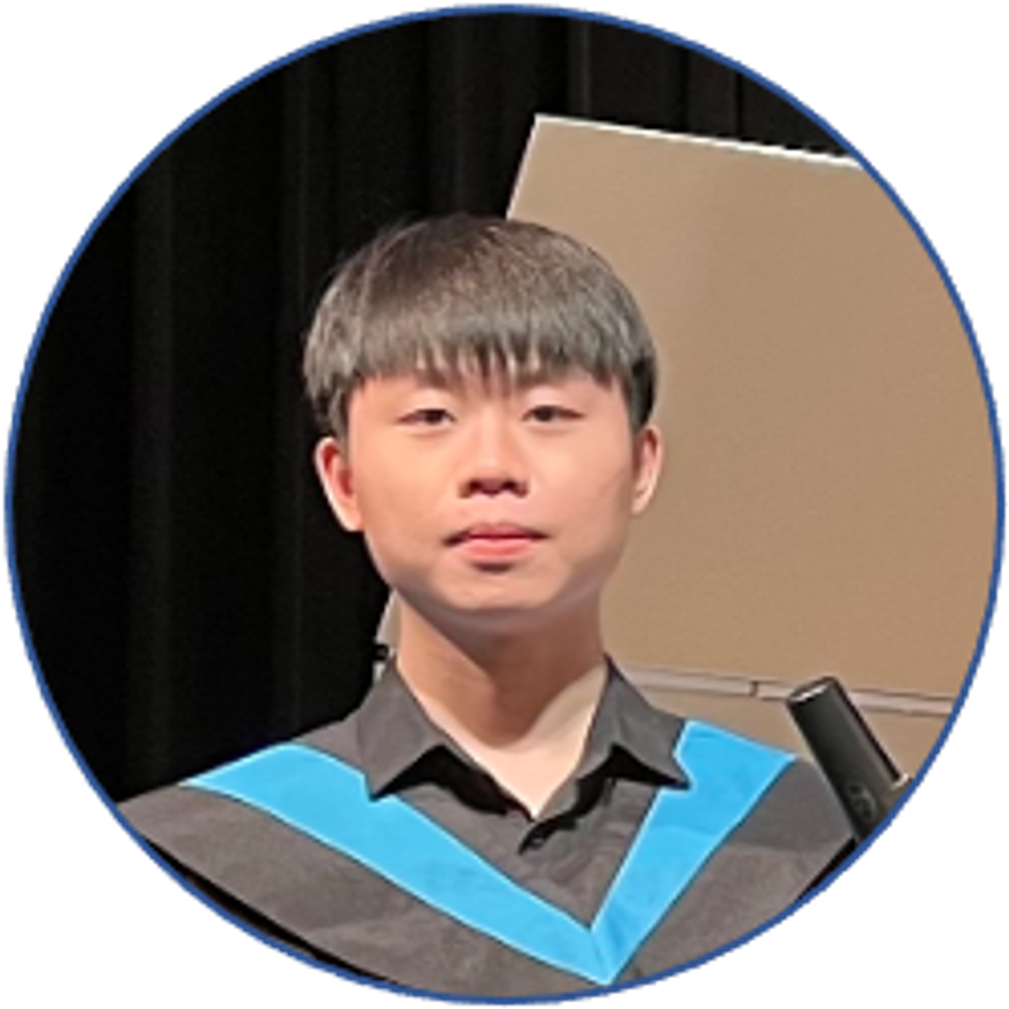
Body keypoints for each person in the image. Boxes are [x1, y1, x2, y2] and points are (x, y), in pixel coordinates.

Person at [120, 215, 853, 996]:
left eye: (547, 413)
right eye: (431, 416)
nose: (493, 466)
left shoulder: (811, 834)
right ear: (343, 480)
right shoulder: (201, 858)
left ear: (641, 465)